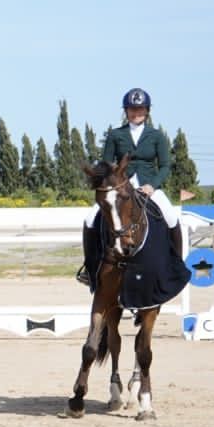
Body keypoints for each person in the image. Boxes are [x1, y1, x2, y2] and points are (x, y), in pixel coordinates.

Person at [78, 87, 181, 286]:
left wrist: (153, 185)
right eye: (132, 109)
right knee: (90, 219)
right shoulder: (116, 135)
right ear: (126, 111)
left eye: (140, 109)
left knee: (171, 217)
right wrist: (108, 182)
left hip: (148, 185)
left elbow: (166, 165)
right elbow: (106, 164)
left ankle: (176, 264)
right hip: (120, 187)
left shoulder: (156, 136)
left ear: (147, 111)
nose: (136, 113)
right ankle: (89, 267)